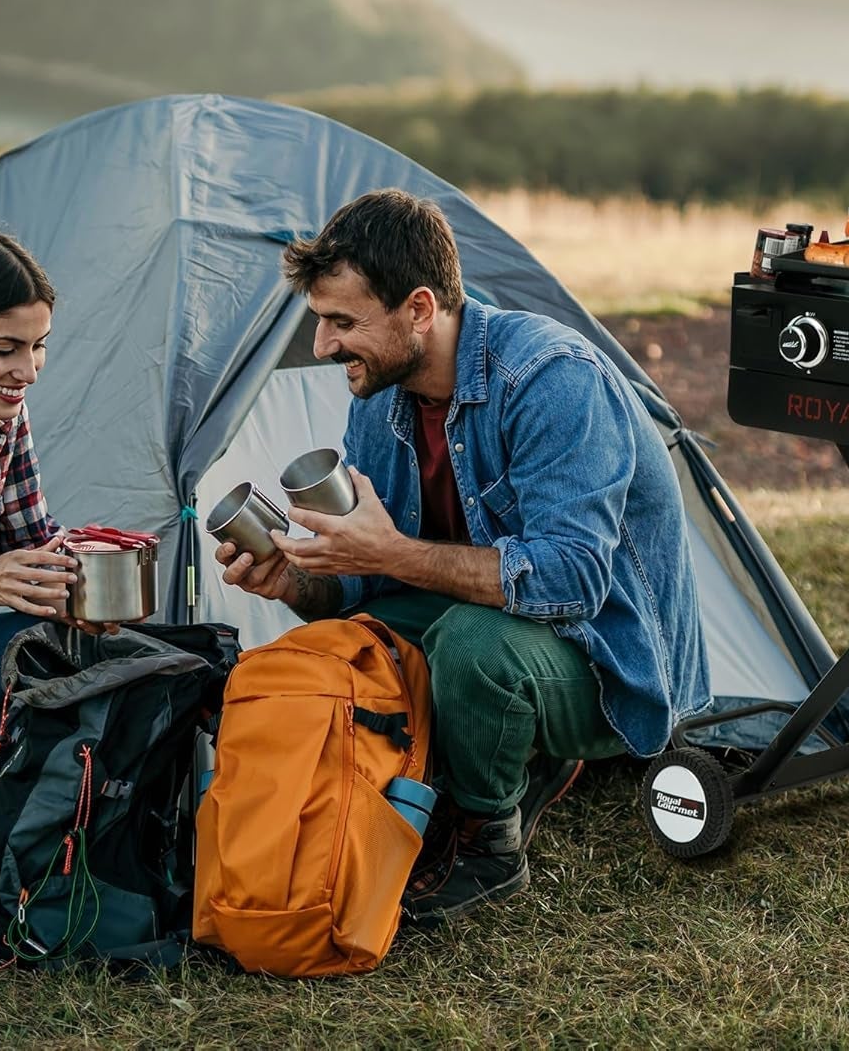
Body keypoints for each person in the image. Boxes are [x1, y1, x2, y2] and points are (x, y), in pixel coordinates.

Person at [217, 189, 710, 921]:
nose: (322, 346)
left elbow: (571, 581)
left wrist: (393, 553)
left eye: (342, 322)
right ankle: (456, 772)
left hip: (606, 659)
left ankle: (487, 840)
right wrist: (297, 581)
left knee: (473, 647)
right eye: (320, 320)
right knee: (342, 642)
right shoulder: (381, 396)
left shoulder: (552, 379)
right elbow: (368, 583)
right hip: (485, 623)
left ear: (420, 308)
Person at [0, 229, 85, 720]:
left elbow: (35, 540)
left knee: (68, 643)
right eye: (5, 349)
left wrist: (86, 588)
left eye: (38, 346)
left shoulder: (4, 422)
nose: (29, 372)